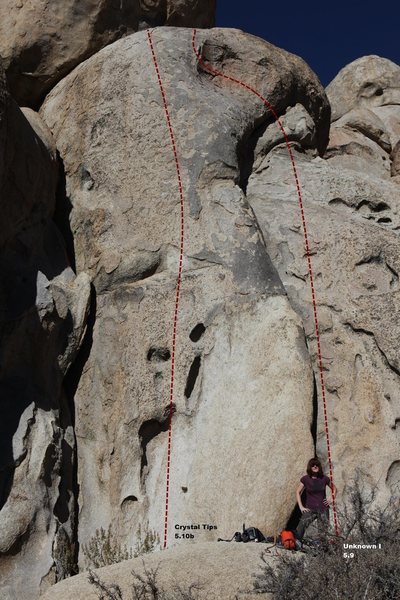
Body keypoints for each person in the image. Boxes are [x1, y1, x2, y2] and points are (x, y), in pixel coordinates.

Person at [294, 457, 337, 541]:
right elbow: (297, 492)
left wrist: (331, 499)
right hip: (310, 509)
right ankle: (296, 545)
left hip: (323, 509)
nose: (315, 466)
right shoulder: (305, 479)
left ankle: (322, 551)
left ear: (319, 467)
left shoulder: (324, 478)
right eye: (312, 465)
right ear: (309, 467)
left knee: (323, 533)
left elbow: (334, 489)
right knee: (300, 528)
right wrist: (301, 507)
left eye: (317, 465)